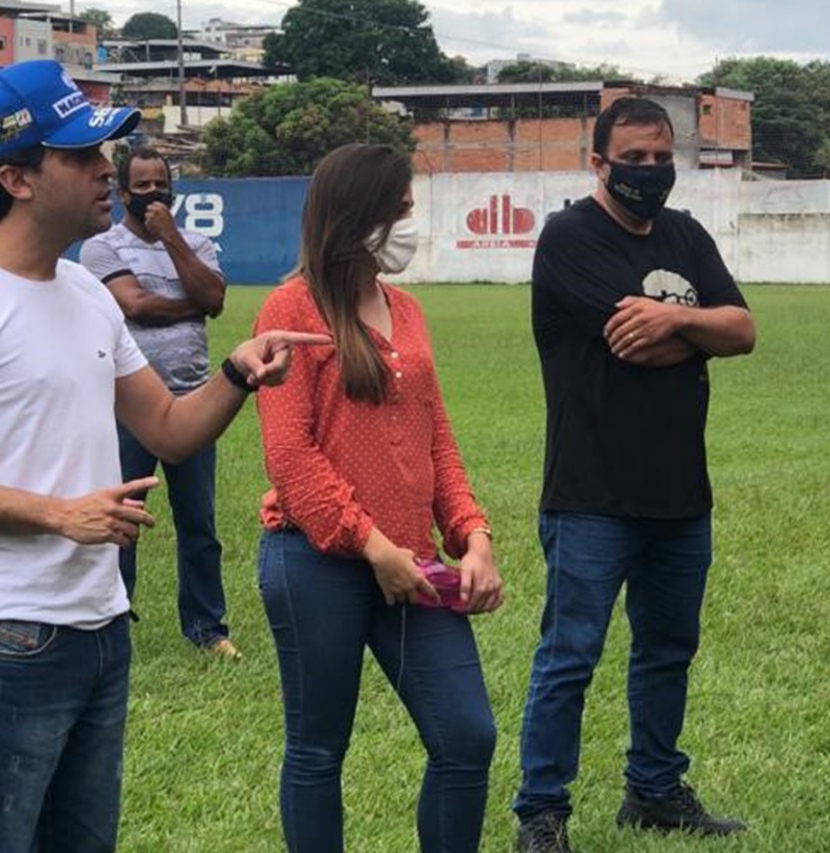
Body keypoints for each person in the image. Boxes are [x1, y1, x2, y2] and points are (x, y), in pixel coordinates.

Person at [0, 59, 326, 853]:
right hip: (1, 632)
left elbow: (169, 428)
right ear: (16, 177)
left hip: (98, 624)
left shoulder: (84, 292)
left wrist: (236, 372)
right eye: (81, 155)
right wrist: (57, 514)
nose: (105, 172)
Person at [514, 97, 757, 853]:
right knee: (569, 658)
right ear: (599, 163)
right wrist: (699, 331)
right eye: (634, 159)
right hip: (591, 494)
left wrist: (679, 320)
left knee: (667, 651)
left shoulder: (686, 234)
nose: (650, 171)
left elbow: (743, 328)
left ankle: (654, 789)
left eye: (660, 157)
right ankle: (542, 811)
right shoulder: (569, 237)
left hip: (680, 495)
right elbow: (633, 344)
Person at [252, 142, 504, 853]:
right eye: (399, 209)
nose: (408, 224)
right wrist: (372, 546)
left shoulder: (408, 310)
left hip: (411, 562)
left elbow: (436, 437)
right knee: (318, 747)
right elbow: (290, 456)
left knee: (467, 736)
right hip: (316, 561)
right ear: (357, 215)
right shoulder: (290, 307)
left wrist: (474, 535)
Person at [80, 147, 239, 659]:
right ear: (122, 193)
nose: (154, 193)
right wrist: (196, 304)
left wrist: (172, 238)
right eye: (142, 185)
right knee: (122, 519)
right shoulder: (102, 247)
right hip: (128, 406)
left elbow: (214, 298)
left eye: (161, 184)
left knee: (199, 525)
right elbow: (137, 305)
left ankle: (208, 629)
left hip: (194, 403)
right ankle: (112, 620)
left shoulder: (195, 243)